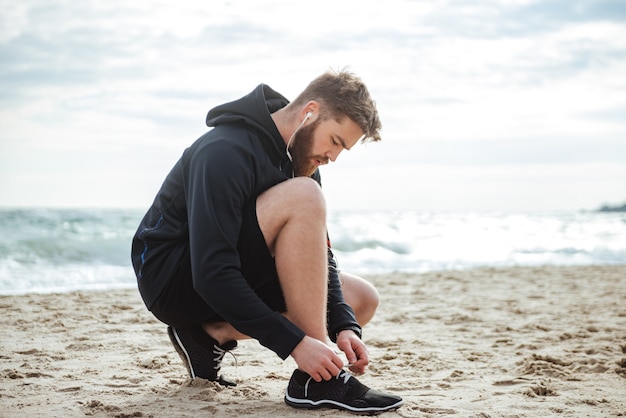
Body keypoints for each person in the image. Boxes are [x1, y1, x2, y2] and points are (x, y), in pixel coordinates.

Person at [131, 69, 403, 414]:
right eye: (335, 141)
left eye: (342, 149)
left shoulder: (302, 162)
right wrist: (297, 345)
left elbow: (322, 258)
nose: (333, 157)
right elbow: (211, 271)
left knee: (360, 299)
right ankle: (320, 380)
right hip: (174, 281)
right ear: (310, 112)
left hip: (230, 274)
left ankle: (208, 335)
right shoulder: (225, 149)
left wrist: (346, 326)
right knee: (305, 195)